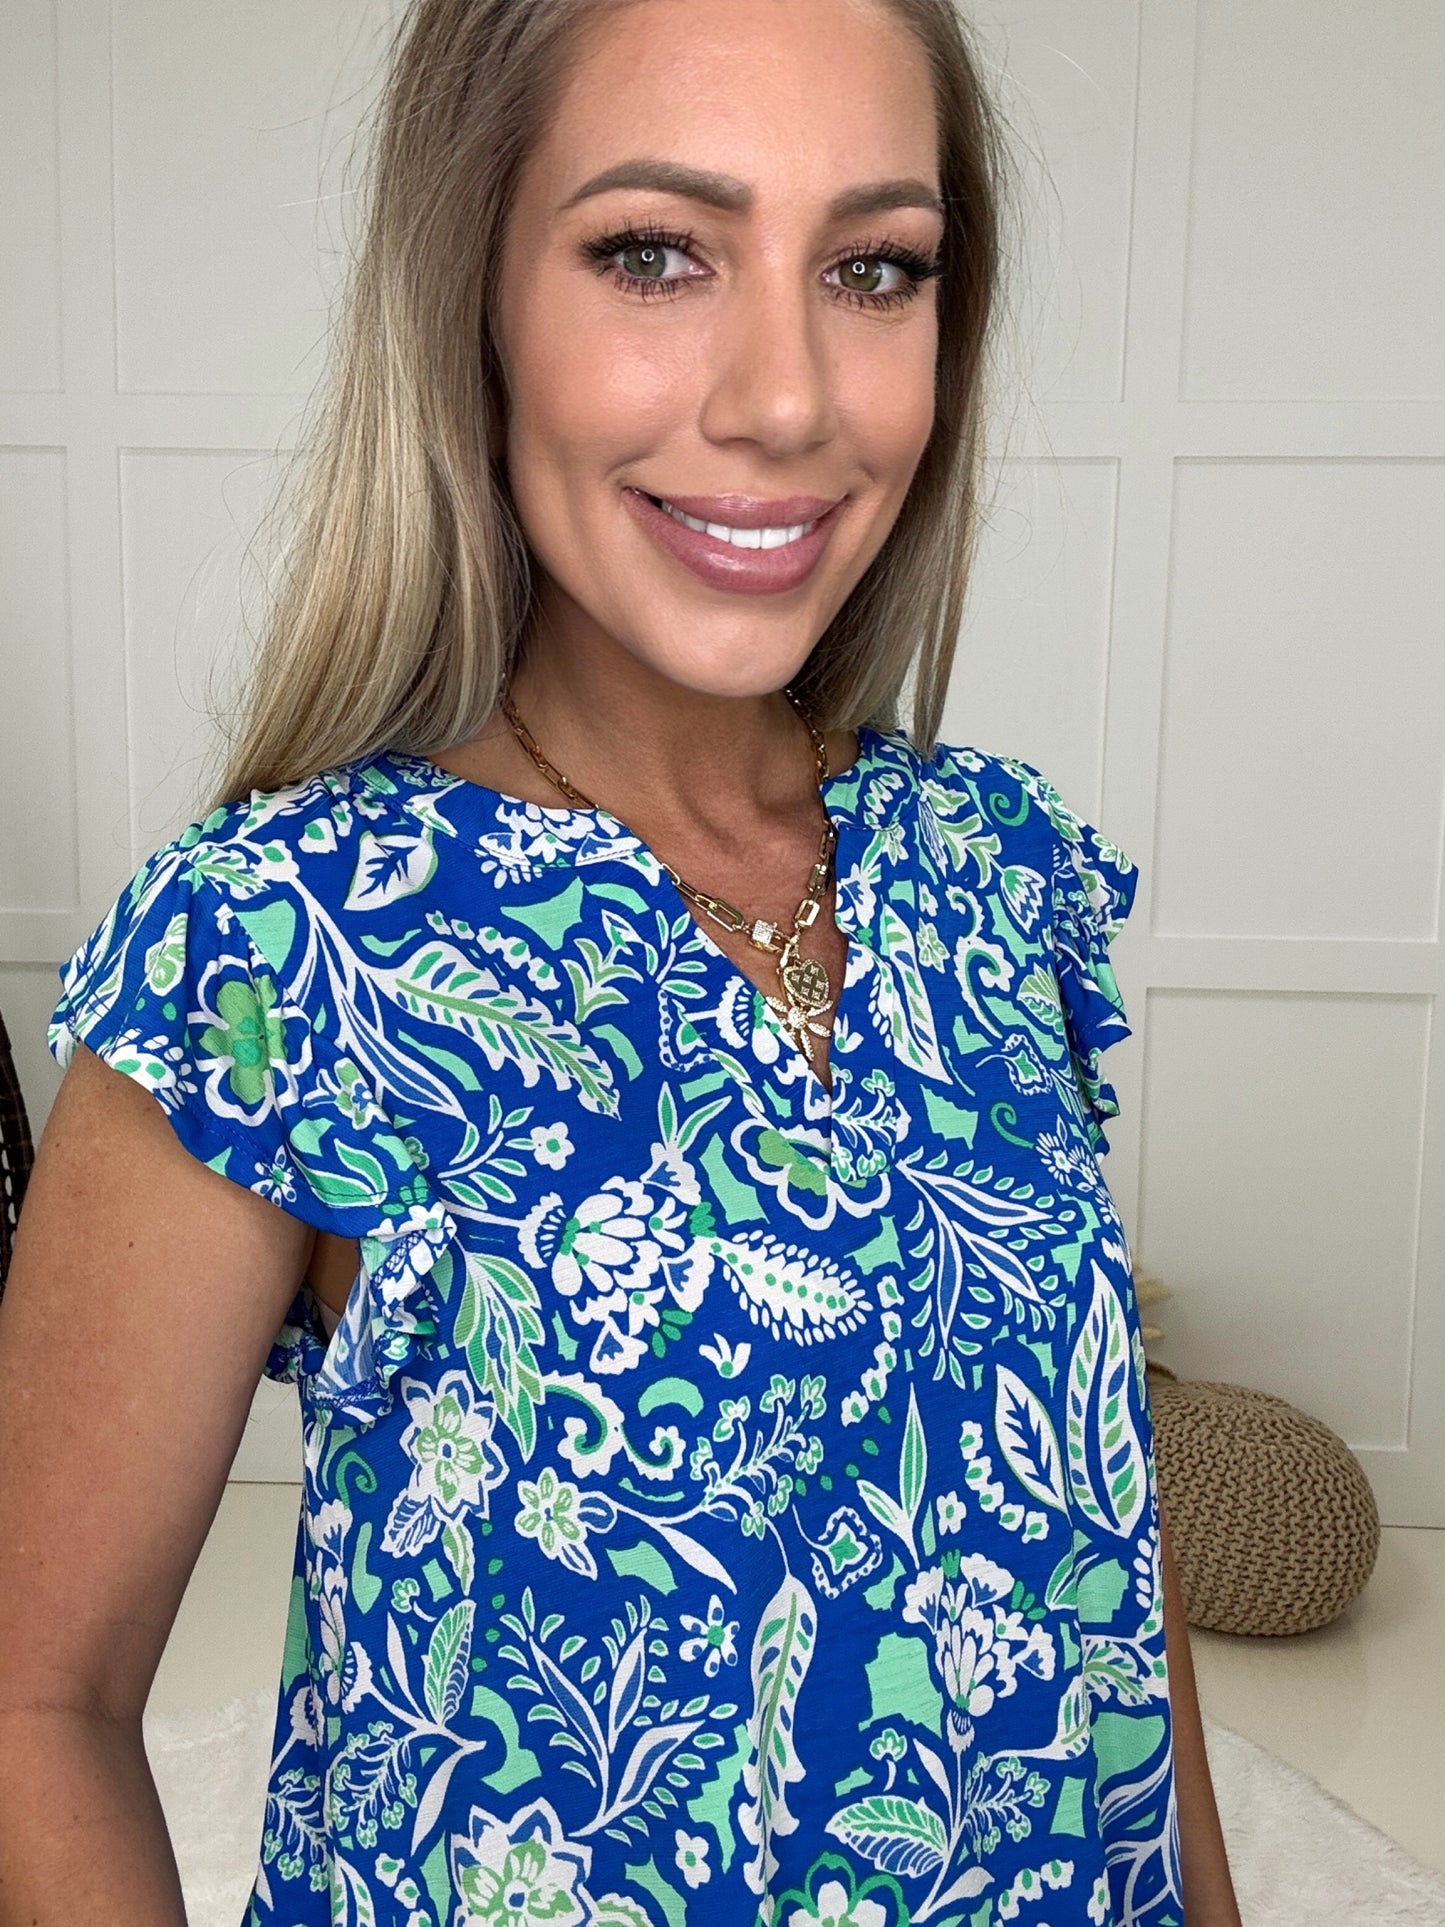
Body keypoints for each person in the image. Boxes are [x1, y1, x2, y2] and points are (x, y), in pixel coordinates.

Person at [0, 0, 1243, 1921]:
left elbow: (1100, 1554)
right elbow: (35, 1702)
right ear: (473, 299)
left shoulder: (996, 868)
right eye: (654, 252)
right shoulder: (277, 941)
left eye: (873, 268)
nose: (787, 399)